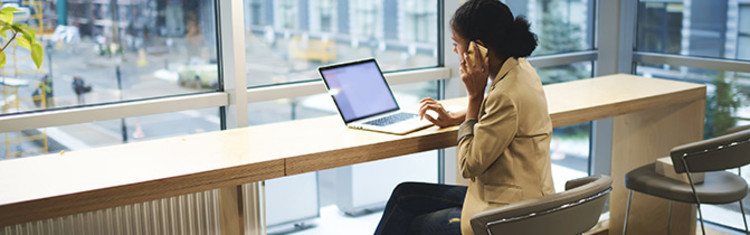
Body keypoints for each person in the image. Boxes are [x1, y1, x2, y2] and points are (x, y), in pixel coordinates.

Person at [374, 1, 554, 234]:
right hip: (521, 195)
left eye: (455, 44)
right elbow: (503, 119)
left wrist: (474, 97)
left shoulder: (505, 94)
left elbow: (468, 165)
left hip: (509, 214)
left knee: (411, 224)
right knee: (404, 195)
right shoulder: (520, 69)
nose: (454, 52)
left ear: (477, 49)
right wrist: (457, 117)